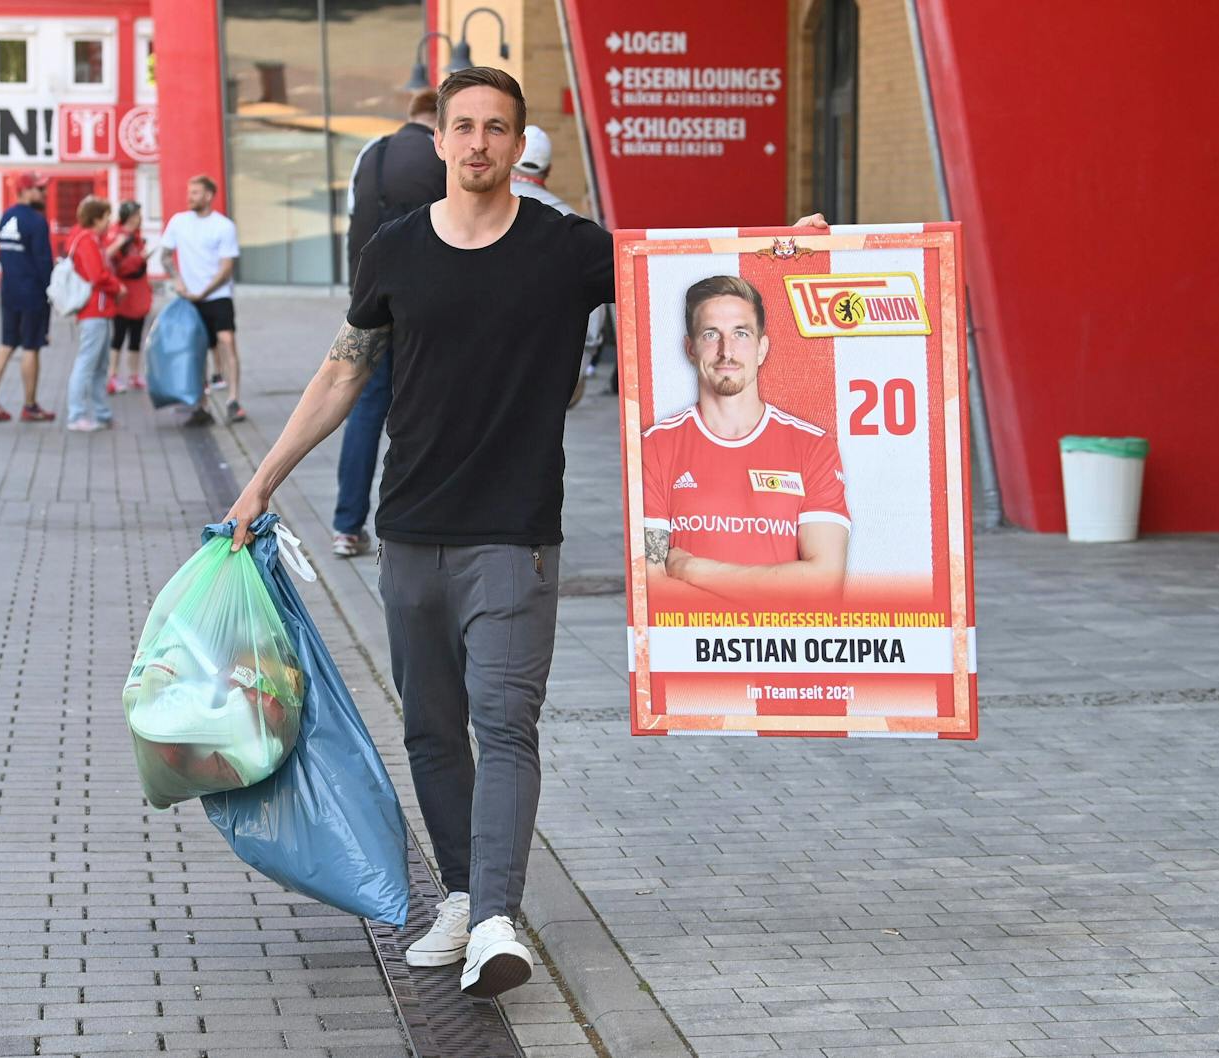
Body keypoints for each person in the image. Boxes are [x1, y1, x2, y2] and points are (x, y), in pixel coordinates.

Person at [225, 62, 826, 999]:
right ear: (438, 139)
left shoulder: (563, 247)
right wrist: (260, 484)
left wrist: (785, 253)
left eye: (496, 128)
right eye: (462, 126)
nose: (478, 143)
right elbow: (343, 370)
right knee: (431, 732)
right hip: (409, 529)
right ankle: (465, 898)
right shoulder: (393, 249)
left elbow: (681, 272)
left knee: (504, 726)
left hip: (515, 538)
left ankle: (497, 920)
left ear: (517, 144)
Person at [641, 275, 850, 603]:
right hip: (697, 640)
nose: (727, 351)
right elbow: (652, 590)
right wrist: (772, 590)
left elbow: (824, 582)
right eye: (711, 334)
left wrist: (694, 569)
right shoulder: (654, 446)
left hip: (779, 639)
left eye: (741, 333)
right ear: (690, 348)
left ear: (762, 348)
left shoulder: (813, 446)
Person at [331, 88, 446, 558]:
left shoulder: (371, 153)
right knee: (426, 409)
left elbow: (353, 225)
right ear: (438, 120)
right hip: (426, 307)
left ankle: (346, 526)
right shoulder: (442, 158)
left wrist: (355, 297)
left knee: (365, 409)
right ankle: (420, 522)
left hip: (370, 300)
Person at [510, 125, 609, 408]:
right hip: (550, 368)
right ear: (549, 170)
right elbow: (594, 309)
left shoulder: (480, 211)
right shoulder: (572, 222)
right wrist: (583, 363)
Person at [159, 175, 243, 425]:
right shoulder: (179, 221)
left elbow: (226, 267)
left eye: (195, 193)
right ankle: (201, 405)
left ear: (208, 196)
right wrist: (177, 280)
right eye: (189, 192)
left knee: (227, 342)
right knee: (195, 351)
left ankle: (233, 400)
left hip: (218, 296)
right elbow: (165, 255)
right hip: (190, 299)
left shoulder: (223, 226)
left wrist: (204, 292)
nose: (189, 197)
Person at [0, 172, 56, 423]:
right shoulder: (37, 221)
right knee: (31, 347)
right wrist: (52, 292)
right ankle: (30, 406)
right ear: (25, 191)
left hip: (9, 290)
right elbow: (44, 262)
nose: (44, 193)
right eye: (39, 189)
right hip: (32, 292)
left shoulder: (6, 216)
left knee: (6, 344)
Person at [63, 196, 123, 433]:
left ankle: (102, 413)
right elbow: (96, 275)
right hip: (94, 309)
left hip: (100, 309)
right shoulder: (87, 241)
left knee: (99, 365)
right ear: (96, 219)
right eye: (106, 217)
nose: (109, 222)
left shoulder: (90, 239)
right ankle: (76, 414)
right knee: (87, 363)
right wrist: (118, 287)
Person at [106, 200, 153, 394]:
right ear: (130, 216)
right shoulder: (118, 236)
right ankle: (113, 375)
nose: (140, 218)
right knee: (118, 336)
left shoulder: (137, 237)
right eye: (138, 215)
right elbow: (113, 262)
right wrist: (139, 258)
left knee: (136, 336)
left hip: (139, 293)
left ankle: (134, 374)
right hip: (123, 294)